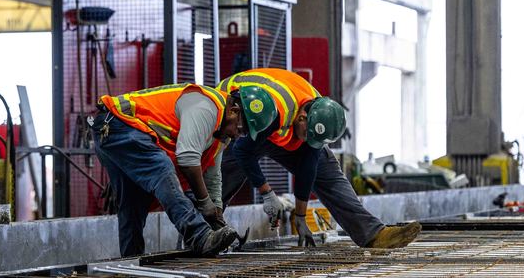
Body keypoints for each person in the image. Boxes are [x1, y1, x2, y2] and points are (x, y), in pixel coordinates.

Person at [217, 68, 422, 248]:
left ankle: (374, 235)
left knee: (328, 172)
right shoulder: (276, 110)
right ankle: (208, 231)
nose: (308, 141)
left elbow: (308, 169)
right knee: (225, 172)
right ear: (302, 117)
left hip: (281, 126)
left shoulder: (315, 118)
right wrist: (267, 193)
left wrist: (300, 216)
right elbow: (243, 151)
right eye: (307, 135)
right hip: (242, 112)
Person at [91, 83, 275, 257]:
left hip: (113, 130)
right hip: (118, 124)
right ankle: (199, 236)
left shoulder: (220, 132)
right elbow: (187, 159)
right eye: (240, 129)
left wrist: (216, 213)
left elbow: (212, 174)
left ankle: (130, 260)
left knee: (133, 202)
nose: (237, 135)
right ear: (234, 111)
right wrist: (204, 203)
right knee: (162, 169)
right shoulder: (206, 107)